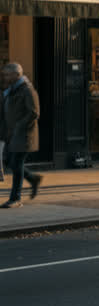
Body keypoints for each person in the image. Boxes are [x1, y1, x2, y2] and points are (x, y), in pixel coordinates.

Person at [0, 63, 43, 208]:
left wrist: (18, 126)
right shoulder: (10, 90)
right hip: (11, 133)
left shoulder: (27, 90)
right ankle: (32, 178)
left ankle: (15, 198)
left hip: (23, 134)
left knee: (16, 164)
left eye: (7, 74)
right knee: (8, 161)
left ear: (16, 75)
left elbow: (34, 113)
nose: (4, 77)